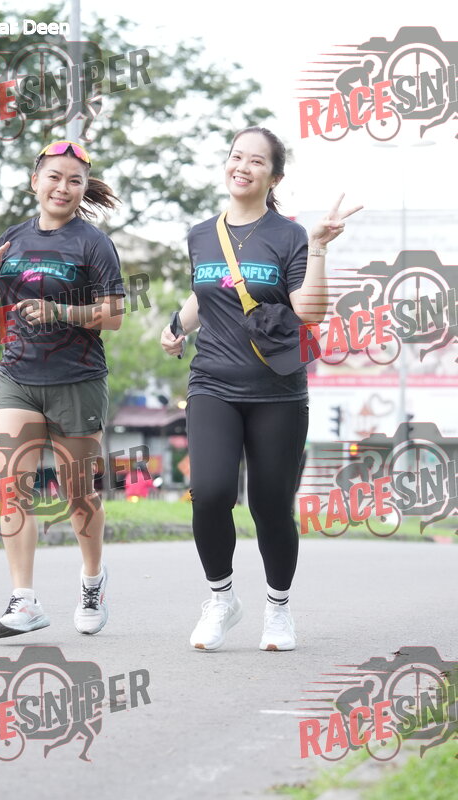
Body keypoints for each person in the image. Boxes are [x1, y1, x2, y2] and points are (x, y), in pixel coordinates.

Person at [161, 126, 362, 652]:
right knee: (210, 493)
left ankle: (278, 608)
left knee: (271, 506)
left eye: (256, 161)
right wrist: (177, 326)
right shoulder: (202, 234)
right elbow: (206, 291)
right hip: (212, 383)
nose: (242, 167)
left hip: (277, 391)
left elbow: (309, 312)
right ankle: (221, 599)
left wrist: (318, 248)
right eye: (236, 157)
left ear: (274, 177)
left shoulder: (289, 236)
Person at [0, 140, 125, 638]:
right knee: (12, 487)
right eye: (54, 177)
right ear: (35, 181)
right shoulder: (12, 239)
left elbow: (114, 315)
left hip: (77, 381)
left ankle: (92, 581)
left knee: (80, 494)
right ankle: (24, 599)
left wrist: (60, 312)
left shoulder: (93, 244)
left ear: (83, 189)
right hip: (17, 378)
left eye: (74, 180)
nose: (63, 187)